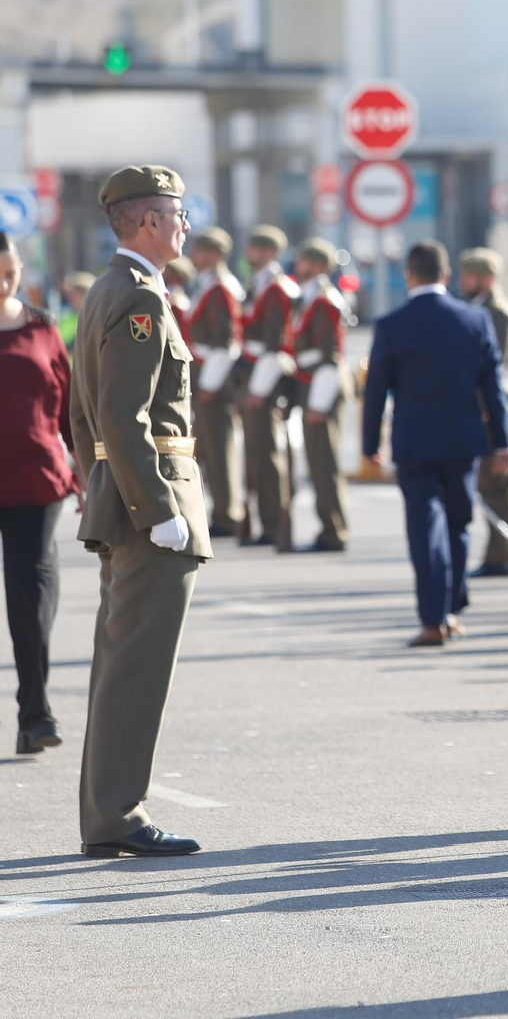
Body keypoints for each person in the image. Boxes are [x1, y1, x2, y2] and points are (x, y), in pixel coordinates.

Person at [68, 164, 210, 858]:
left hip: (121, 498)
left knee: (120, 663)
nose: (187, 227)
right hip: (149, 504)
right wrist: (155, 506)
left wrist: (101, 485)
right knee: (135, 670)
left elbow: (81, 417)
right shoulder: (138, 296)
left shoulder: (109, 290)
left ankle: (108, 813)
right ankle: (118, 816)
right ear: (150, 221)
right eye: (181, 215)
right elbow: (122, 418)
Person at [362, 241, 508, 647]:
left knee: (424, 527)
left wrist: (369, 444)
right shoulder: (475, 320)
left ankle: (433, 620)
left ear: (409, 275)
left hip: (414, 441)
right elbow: (493, 389)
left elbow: (376, 391)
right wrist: (502, 443)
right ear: (446, 276)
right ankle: (452, 609)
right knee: (458, 524)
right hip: (464, 441)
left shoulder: (392, 324)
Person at [0, 233, 79, 755]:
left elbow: (71, 405)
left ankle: (36, 712)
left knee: (31, 594)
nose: (4, 282)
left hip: (36, 477)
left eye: (10, 271)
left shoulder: (43, 327)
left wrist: (91, 473)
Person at [458, 248, 508, 579]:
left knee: (497, 485)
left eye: (468, 275)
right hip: (479, 406)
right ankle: (498, 553)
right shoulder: (479, 308)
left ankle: (503, 555)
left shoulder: (496, 312)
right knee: (488, 485)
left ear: (485, 278)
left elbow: (491, 368)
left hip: (490, 406)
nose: (462, 282)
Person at [286, 238, 351, 552]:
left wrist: (318, 402)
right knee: (317, 463)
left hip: (319, 386)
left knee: (324, 464)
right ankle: (329, 527)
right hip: (310, 383)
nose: (300, 267)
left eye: (306, 261)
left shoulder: (324, 300)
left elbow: (330, 355)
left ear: (321, 266)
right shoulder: (310, 297)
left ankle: (333, 531)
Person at [239, 225, 298, 549]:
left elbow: (275, 345)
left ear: (270, 253)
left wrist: (258, 390)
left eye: (257, 249)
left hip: (267, 380)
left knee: (268, 454)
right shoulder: (260, 285)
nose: (251, 255)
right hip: (255, 375)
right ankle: (266, 522)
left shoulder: (276, 290)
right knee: (257, 455)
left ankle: (275, 524)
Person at [185, 227, 245, 538]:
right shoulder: (208, 285)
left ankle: (227, 513)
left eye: (201, 251)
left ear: (216, 255)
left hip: (215, 381)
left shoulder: (221, 288)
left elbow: (227, 342)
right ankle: (221, 510)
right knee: (208, 449)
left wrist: (209, 383)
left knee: (220, 449)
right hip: (206, 377)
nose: (194, 256)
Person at [58, 271, 95, 351]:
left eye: (75, 294)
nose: (71, 298)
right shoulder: (67, 318)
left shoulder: (95, 319)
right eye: (69, 294)